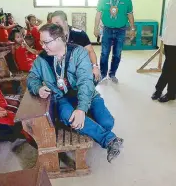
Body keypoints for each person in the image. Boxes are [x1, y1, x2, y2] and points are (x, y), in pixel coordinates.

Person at [27, 24, 123, 163]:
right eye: (41, 42)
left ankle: (88, 121)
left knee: (107, 123)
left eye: (46, 42)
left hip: (86, 94)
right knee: (67, 115)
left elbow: (86, 82)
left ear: (59, 39)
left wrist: (81, 109)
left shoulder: (78, 53)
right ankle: (110, 140)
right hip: (63, 98)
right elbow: (32, 77)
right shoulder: (42, 59)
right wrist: (37, 88)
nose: (42, 46)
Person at [94, 0, 136, 83]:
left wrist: (132, 29)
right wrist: (96, 27)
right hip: (107, 29)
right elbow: (98, 13)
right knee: (104, 53)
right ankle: (103, 74)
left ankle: (112, 73)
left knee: (117, 54)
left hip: (121, 30)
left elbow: (130, 14)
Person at [51, 11, 101, 82]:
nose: (55, 26)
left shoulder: (79, 34)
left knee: (93, 77)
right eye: (53, 24)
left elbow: (90, 51)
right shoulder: (52, 36)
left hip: (77, 65)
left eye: (57, 23)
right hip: (61, 66)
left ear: (65, 22)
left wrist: (95, 67)